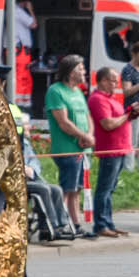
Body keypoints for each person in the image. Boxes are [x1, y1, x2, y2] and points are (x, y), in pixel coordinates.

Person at [45, 54, 91, 236]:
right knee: (67, 189)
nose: (84, 72)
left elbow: (87, 117)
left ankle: (75, 224)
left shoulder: (78, 92)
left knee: (77, 189)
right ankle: (60, 224)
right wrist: (82, 135)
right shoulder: (56, 91)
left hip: (82, 148)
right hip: (67, 149)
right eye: (81, 68)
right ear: (71, 71)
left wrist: (90, 136)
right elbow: (63, 122)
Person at [88, 68, 133, 241]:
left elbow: (118, 119)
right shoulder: (98, 99)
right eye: (113, 80)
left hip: (119, 148)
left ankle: (109, 223)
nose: (116, 84)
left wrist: (129, 115)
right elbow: (108, 124)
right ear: (103, 81)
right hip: (110, 149)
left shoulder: (111, 99)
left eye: (117, 81)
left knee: (110, 188)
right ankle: (101, 224)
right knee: (104, 189)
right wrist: (127, 115)